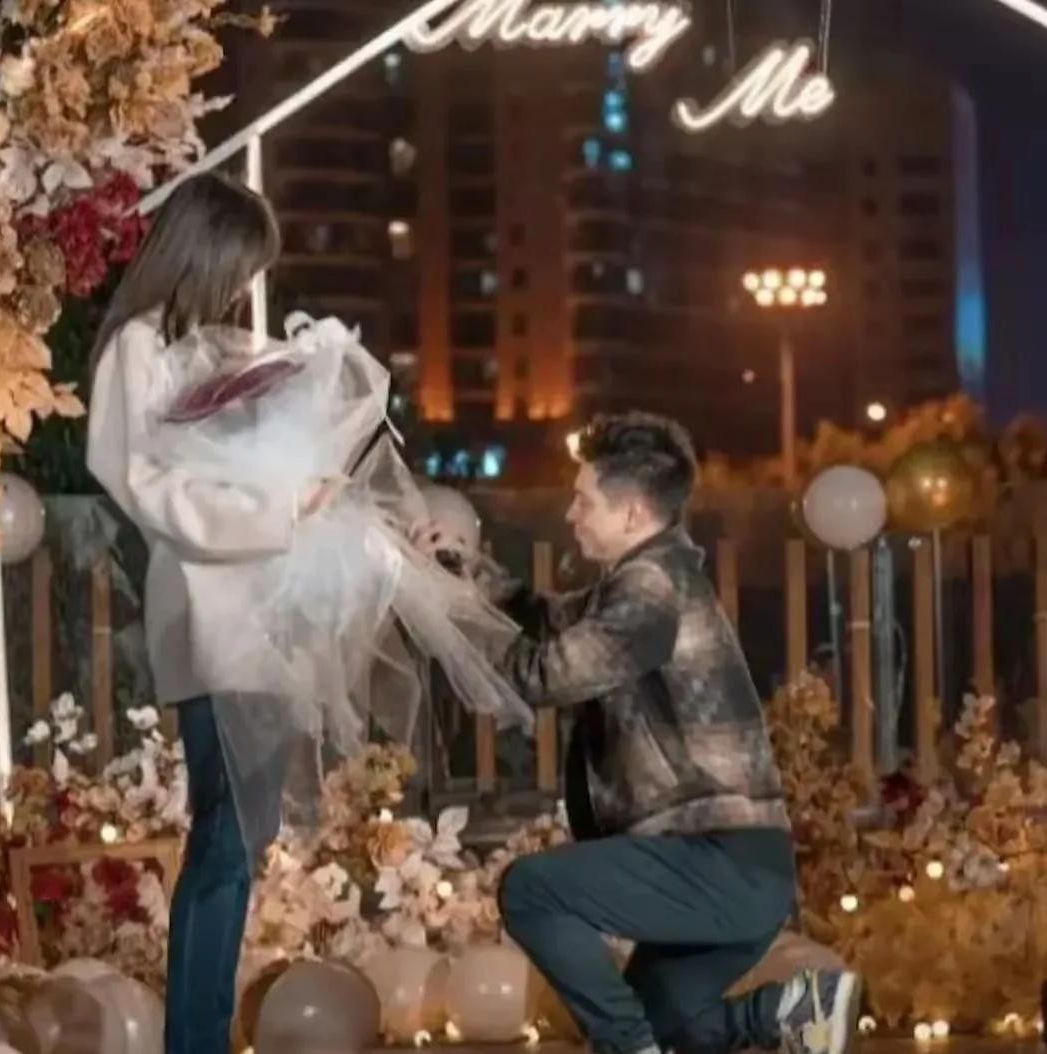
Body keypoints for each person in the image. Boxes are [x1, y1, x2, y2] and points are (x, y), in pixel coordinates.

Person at [87, 172, 530, 1053]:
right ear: (208, 254)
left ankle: (199, 1035)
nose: (248, 283)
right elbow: (143, 484)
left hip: (257, 613)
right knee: (225, 840)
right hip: (211, 615)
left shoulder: (199, 344)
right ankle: (194, 1040)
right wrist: (277, 505)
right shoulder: (138, 346)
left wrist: (322, 485)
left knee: (234, 842)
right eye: (244, 264)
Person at [418, 412, 863, 1054]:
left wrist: (452, 615)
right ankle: (792, 1009)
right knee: (669, 1026)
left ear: (631, 514)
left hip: (718, 863)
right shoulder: (646, 580)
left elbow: (543, 674)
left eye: (584, 500)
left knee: (532, 890)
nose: (571, 515)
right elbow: (541, 617)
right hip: (739, 870)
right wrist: (459, 570)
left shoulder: (651, 588)